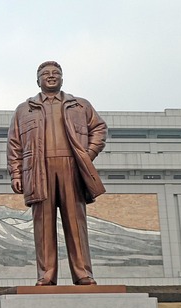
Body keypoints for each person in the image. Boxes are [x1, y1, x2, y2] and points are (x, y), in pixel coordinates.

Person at [7, 61, 107, 286]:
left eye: (56, 73)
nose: (51, 76)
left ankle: (83, 273)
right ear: (38, 80)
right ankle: (46, 274)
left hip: (72, 167)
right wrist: (16, 174)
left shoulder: (79, 105)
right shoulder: (25, 109)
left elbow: (99, 128)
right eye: (45, 73)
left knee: (76, 222)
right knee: (43, 225)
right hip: (38, 170)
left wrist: (87, 154)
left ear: (62, 78)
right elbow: (14, 144)